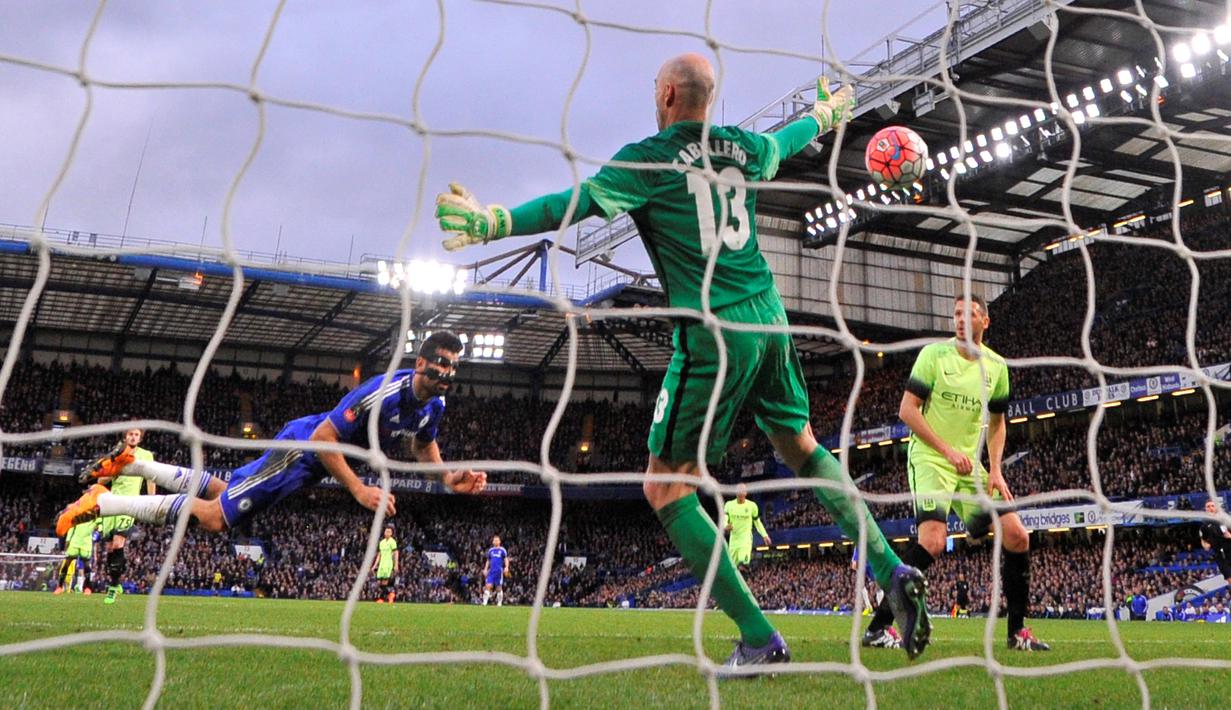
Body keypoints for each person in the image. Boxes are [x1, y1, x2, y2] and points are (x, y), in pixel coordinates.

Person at [435, 53, 930, 667]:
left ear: (667, 93)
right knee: (802, 447)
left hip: (713, 331)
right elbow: (786, 139)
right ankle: (890, 566)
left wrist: (494, 221)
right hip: (770, 318)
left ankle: (758, 637)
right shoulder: (743, 147)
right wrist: (827, 113)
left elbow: (575, 203)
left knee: (665, 485)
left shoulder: (650, 156)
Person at [57, 332, 487, 538]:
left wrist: (448, 478)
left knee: (226, 489)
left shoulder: (435, 405)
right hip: (304, 450)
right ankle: (105, 501)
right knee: (216, 517)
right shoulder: (382, 391)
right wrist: (359, 491)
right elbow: (324, 438)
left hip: (314, 466)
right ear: (420, 364)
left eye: (453, 366)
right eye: (441, 363)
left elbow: (422, 443)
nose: (447, 372)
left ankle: (133, 463)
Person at [861, 294, 1050, 652]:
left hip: (970, 467)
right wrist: (947, 450)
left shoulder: (996, 367)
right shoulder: (934, 356)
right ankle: (878, 626)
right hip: (931, 457)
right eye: (957, 314)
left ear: (985, 322)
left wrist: (996, 469)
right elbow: (907, 410)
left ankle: (1017, 633)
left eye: (970, 314)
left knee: (1017, 536)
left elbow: (997, 423)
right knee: (932, 540)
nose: (961, 319)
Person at [87, 427, 156, 605]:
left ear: (140, 439)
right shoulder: (116, 455)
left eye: (136, 435)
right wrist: (113, 467)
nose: (133, 437)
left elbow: (151, 479)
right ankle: (116, 582)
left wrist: (152, 502)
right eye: (130, 434)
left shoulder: (146, 456)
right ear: (125, 437)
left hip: (130, 504)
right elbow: (101, 481)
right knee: (110, 548)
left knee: (118, 542)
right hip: (111, 503)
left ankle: (112, 588)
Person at [723, 483, 770, 572]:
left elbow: (757, 522)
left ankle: (744, 568)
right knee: (732, 569)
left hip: (746, 539)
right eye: (739, 491)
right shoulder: (729, 505)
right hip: (733, 540)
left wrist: (765, 535)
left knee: (743, 564)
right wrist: (725, 526)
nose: (740, 494)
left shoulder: (752, 506)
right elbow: (724, 519)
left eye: (742, 491)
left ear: (746, 493)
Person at [55, 520, 96, 595]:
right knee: (67, 563)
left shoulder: (93, 516)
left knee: (86, 565)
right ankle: (59, 587)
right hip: (74, 542)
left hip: (85, 543)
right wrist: (68, 540)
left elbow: (97, 526)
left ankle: (87, 588)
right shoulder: (77, 515)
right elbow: (71, 528)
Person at [1198, 498, 1231, 580]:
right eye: (1208, 506)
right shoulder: (1204, 526)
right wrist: (1205, 544)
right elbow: (1203, 540)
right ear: (1205, 509)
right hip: (1221, 558)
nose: (1210, 508)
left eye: (1212, 506)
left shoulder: (1226, 520)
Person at [374, 526, 399, 604]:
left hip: (388, 564)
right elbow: (379, 555)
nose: (387, 533)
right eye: (386, 531)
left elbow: (396, 553)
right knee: (378, 582)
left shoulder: (392, 542)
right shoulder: (381, 542)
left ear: (391, 533)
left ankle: (381, 598)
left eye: (389, 532)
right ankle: (390, 594)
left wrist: (396, 564)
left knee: (384, 582)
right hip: (381, 564)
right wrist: (375, 565)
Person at [482, 535, 509, 606]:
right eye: (494, 540)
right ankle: (484, 602)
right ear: (493, 542)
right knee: (488, 586)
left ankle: (499, 603)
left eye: (497, 540)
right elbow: (488, 560)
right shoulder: (491, 550)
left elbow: (506, 559)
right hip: (491, 571)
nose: (496, 541)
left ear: (499, 541)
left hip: (499, 571)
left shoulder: (502, 550)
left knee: (498, 588)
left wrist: (506, 567)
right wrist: (485, 569)